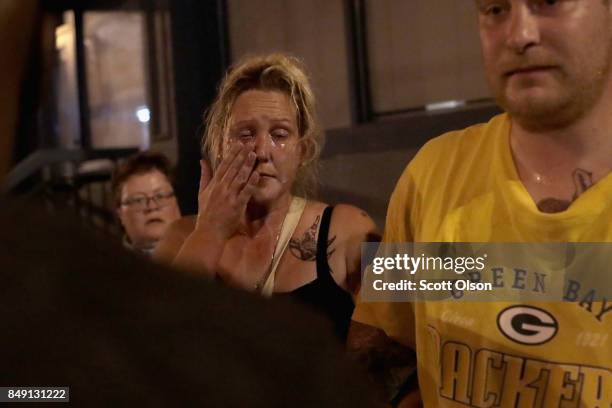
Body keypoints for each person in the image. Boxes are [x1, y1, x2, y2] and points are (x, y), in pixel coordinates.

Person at [349, 1, 612, 407]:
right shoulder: (432, 174)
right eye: (495, 9)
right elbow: (382, 338)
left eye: (549, 2)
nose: (519, 34)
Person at [155, 53, 379, 340]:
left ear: (303, 150)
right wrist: (210, 230)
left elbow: (442, 290)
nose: (262, 151)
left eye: (280, 134)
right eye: (245, 134)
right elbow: (153, 340)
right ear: (220, 146)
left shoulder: (346, 228)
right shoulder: (180, 237)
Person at [111, 151, 182, 255]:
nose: (152, 207)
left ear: (176, 203)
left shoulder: (207, 256)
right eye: (138, 200)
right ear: (120, 213)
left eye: (160, 196)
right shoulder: (107, 266)